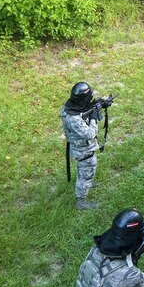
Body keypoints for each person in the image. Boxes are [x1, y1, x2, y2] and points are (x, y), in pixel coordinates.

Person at [61, 81, 100, 210]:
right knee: (88, 169)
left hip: (78, 147)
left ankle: (86, 183)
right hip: (83, 149)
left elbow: (82, 111)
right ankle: (81, 202)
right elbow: (90, 133)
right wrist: (94, 118)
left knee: (84, 169)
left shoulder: (70, 107)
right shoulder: (74, 119)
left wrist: (94, 106)